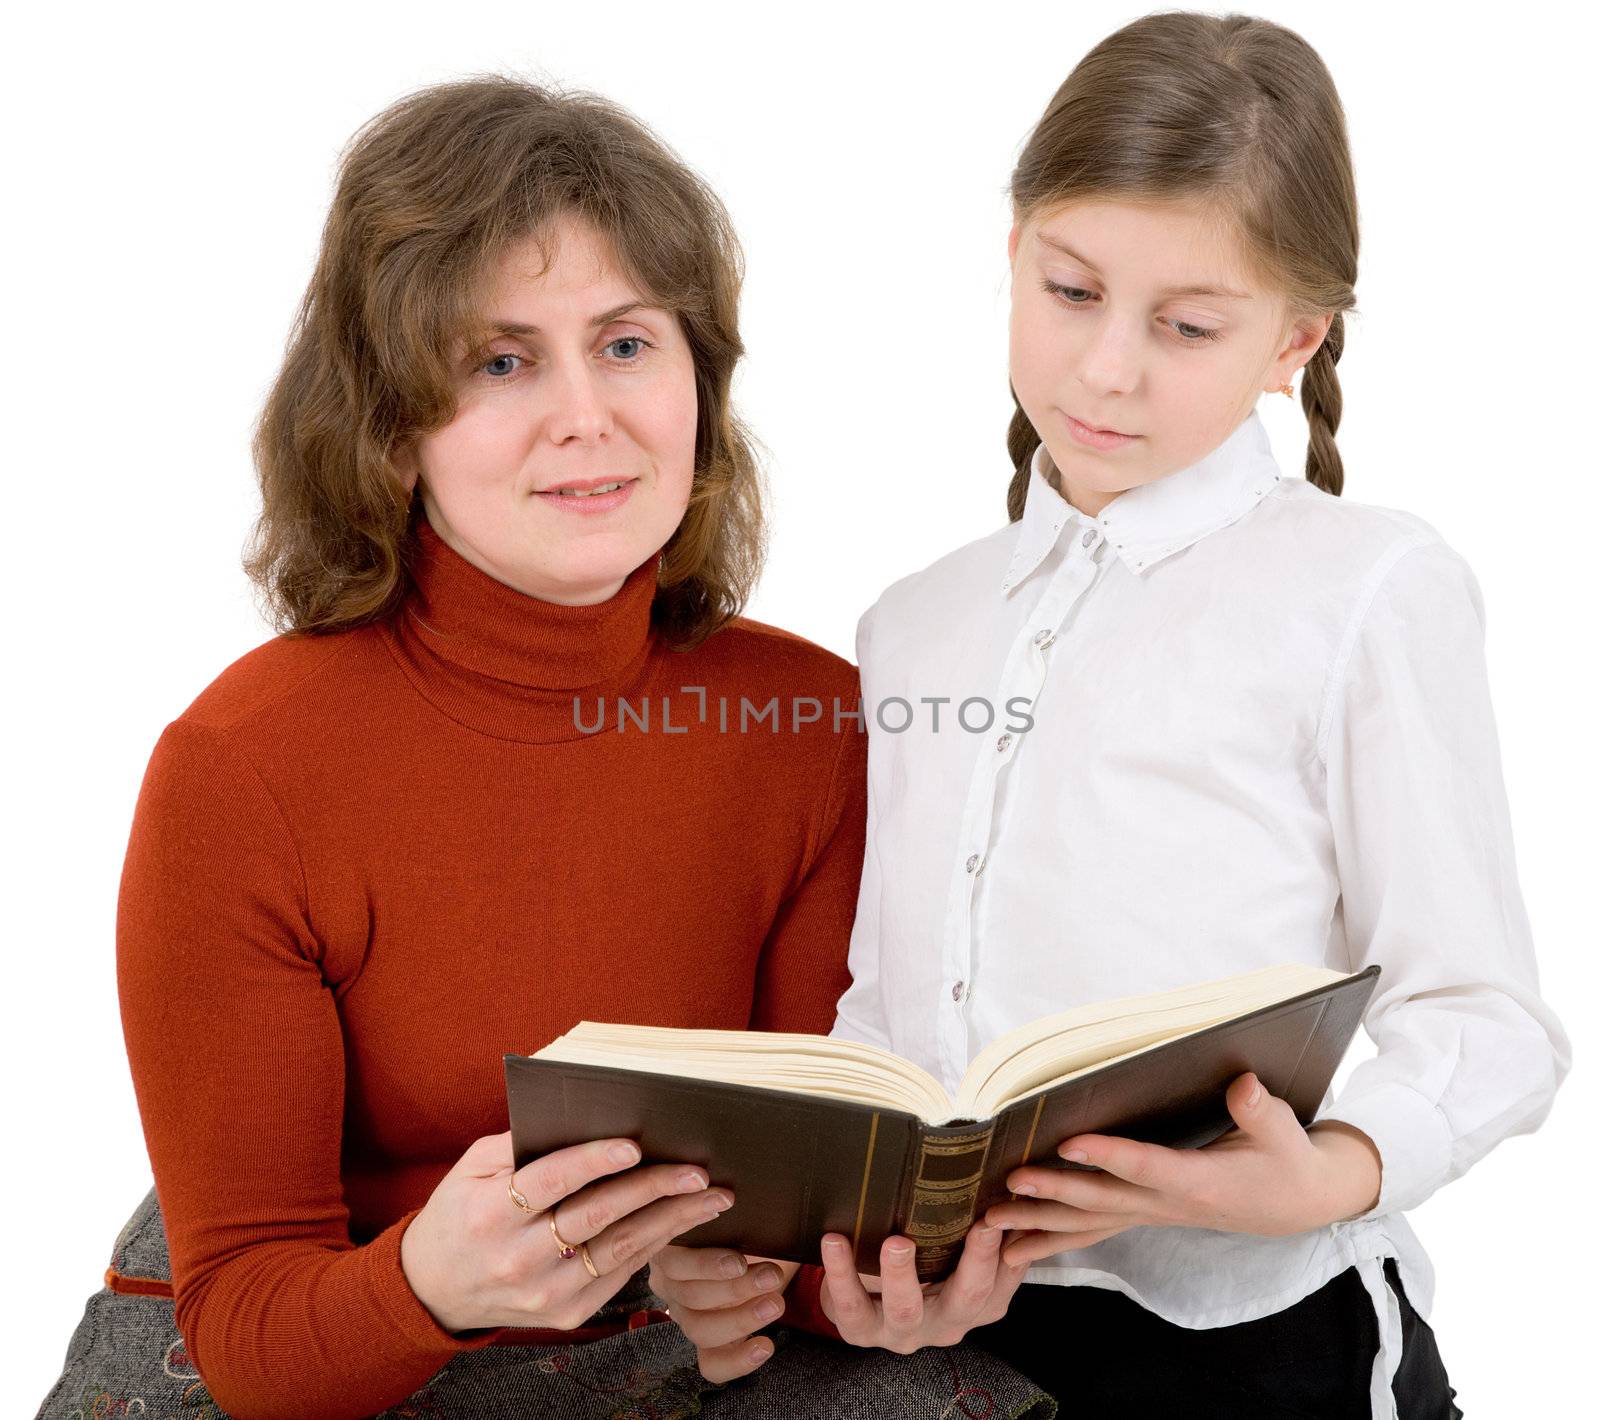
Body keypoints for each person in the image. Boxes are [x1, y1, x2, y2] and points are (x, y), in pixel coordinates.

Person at [33, 76, 1055, 1420]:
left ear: (700, 385)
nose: (587, 415)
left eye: (627, 345)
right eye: (501, 361)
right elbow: (251, 1328)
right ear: (390, 427)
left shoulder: (812, 727)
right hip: (336, 1346)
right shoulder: (241, 769)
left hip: (657, 1342)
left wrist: (864, 1282)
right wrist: (429, 1287)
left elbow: (804, 1205)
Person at [651, 12, 1569, 1418]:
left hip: (1264, 1334)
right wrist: (868, 1254)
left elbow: (1489, 1015)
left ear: (1296, 338)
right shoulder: (916, 623)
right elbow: (889, 1012)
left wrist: (1334, 1172)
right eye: (1070, 291)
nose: (1109, 370)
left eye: (1190, 326)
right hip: (970, 1336)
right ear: (1011, 252)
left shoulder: (1366, 589)